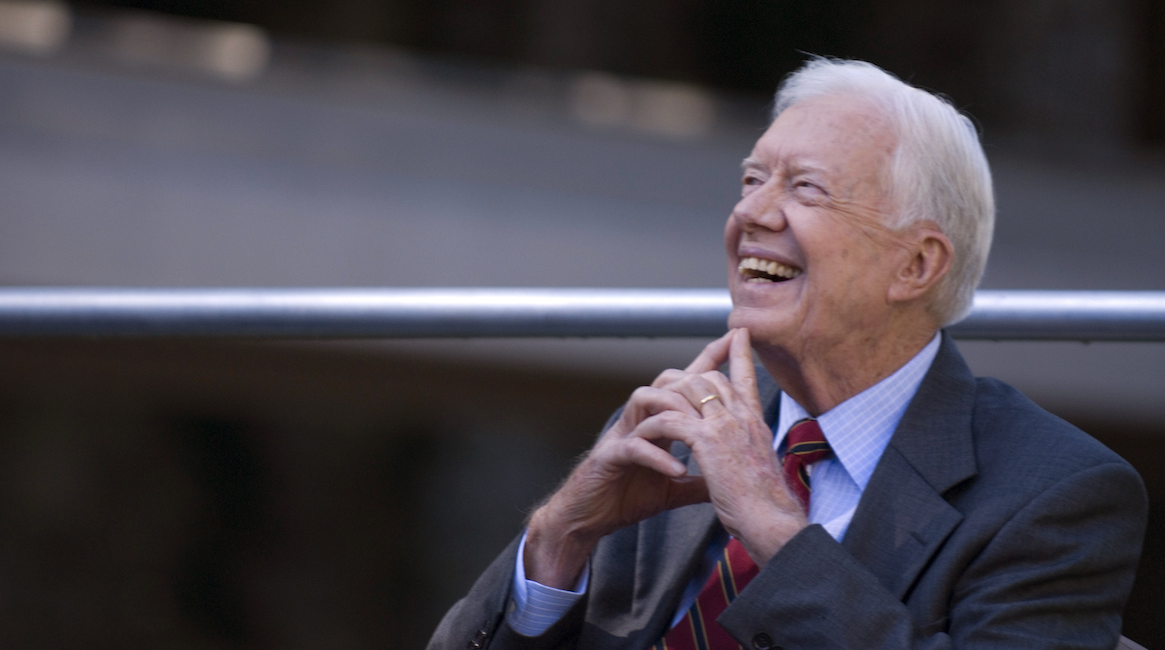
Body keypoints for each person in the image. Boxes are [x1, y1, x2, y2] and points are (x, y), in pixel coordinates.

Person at [428, 58, 1147, 650]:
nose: (752, 215)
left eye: (805, 188)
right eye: (750, 180)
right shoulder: (677, 433)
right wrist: (560, 538)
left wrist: (776, 531)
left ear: (917, 266)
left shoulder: (1054, 493)